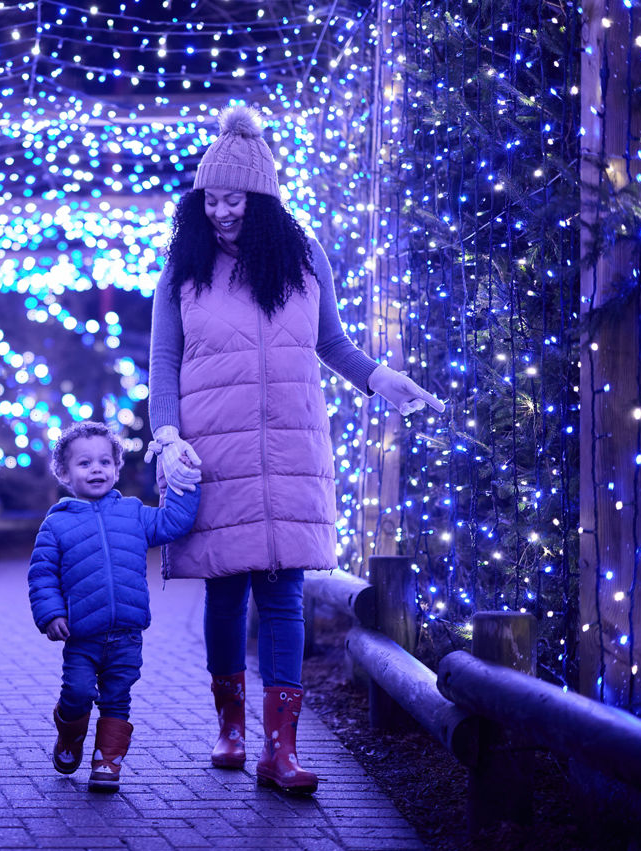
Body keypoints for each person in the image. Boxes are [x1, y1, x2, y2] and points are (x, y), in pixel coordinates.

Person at [147, 104, 444, 795]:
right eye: (210, 199)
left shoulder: (305, 259)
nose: (221, 213)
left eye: (235, 200)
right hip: (208, 456)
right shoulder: (182, 271)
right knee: (224, 594)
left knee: (282, 596)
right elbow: (163, 363)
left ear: (265, 199)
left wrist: (379, 378)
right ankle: (230, 727)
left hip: (290, 451)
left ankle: (281, 751)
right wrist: (167, 437)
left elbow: (330, 343)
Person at [27, 421, 200, 793]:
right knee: (77, 692)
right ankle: (70, 735)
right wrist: (51, 614)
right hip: (82, 635)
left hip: (127, 634)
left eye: (105, 462)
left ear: (117, 469)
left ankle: (108, 762)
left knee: (117, 697)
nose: (96, 470)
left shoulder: (134, 513)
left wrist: (185, 476)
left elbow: (174, 521)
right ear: (63, 472)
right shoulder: (55, 525)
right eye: (84, 463)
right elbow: (42, 575)